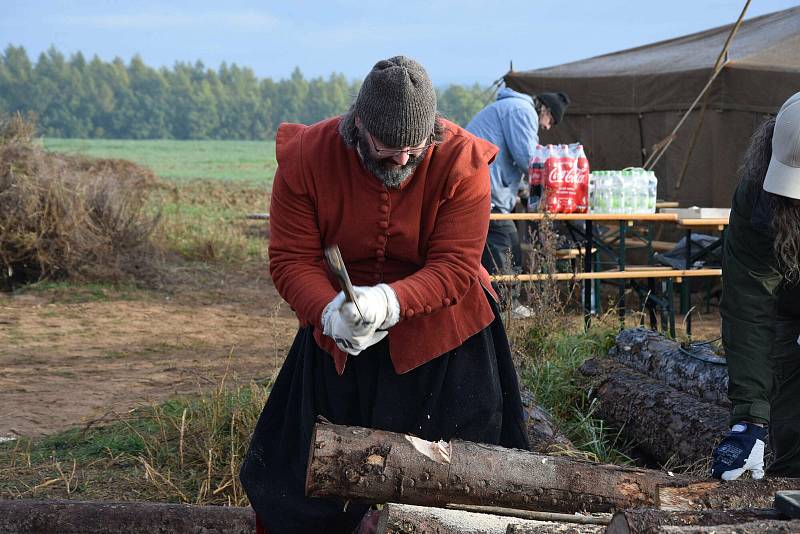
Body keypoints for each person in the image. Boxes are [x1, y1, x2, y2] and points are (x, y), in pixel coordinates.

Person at [239, 56, 530, 534]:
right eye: (387, 148)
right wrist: (329, 312)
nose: (401, 160)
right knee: (297, 486)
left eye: (414, 149)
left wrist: (387, 302)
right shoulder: (306, 157)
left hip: (446, 339)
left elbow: (455, 266)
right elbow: (291, 259)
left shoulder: (462, 160)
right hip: (340, 341)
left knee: (455, 493)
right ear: (358, 126)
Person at [711, 90, 800, 481]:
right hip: (789, 307)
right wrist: (750, 419)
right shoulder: (759, 198)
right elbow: (749, 305)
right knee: (792, 422)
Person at [466, 87, 570, 318]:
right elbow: (528, 160)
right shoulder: (522, 111)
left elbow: (509, 158)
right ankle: (506, 306)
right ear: (545, 109)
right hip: (484, 191)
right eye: (551, 120)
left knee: (486, 248)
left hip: (481, 185)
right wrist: (554, 185)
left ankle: (487, 305)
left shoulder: (511, 108)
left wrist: (523, 189)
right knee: (506, 241)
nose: (548, 127)